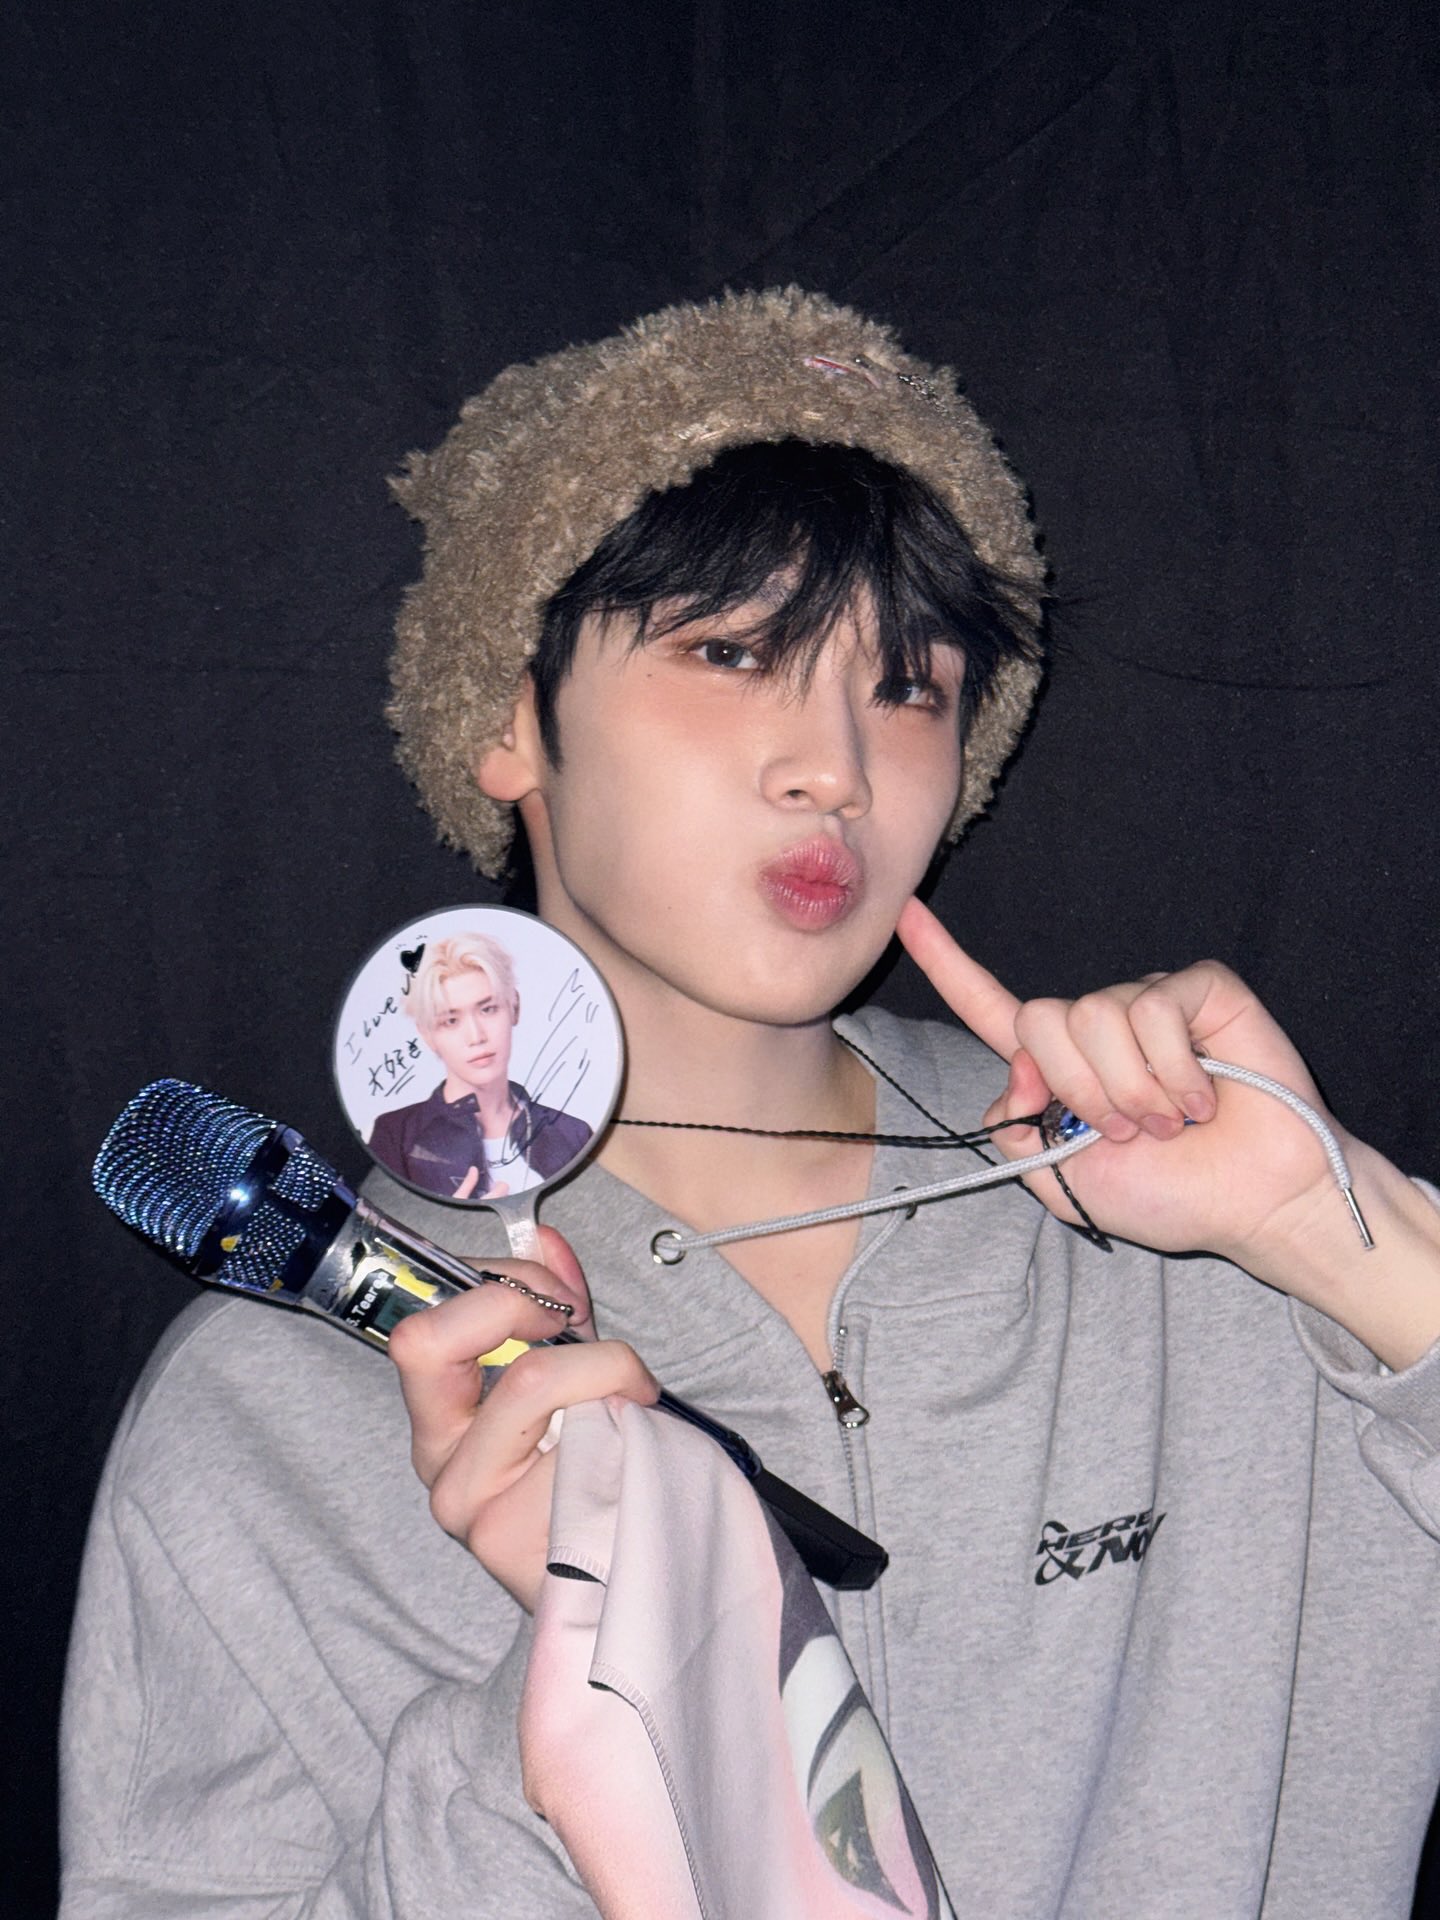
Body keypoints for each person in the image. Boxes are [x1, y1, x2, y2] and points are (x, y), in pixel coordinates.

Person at [61, 289, 1440, 1917]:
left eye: (910, 685)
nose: (835, 766)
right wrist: (579, 1734)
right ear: (509, 717)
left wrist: (1349, 1243)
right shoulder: (273, 1410)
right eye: (729, 652)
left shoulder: (1197, 1230)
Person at [367, 931, 592, 1200]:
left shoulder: (572, 1132)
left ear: (514, 1007)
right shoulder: (396, 1136)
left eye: (488, 1009)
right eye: (450, 1021)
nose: (476, 1036)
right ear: (427, 1034)